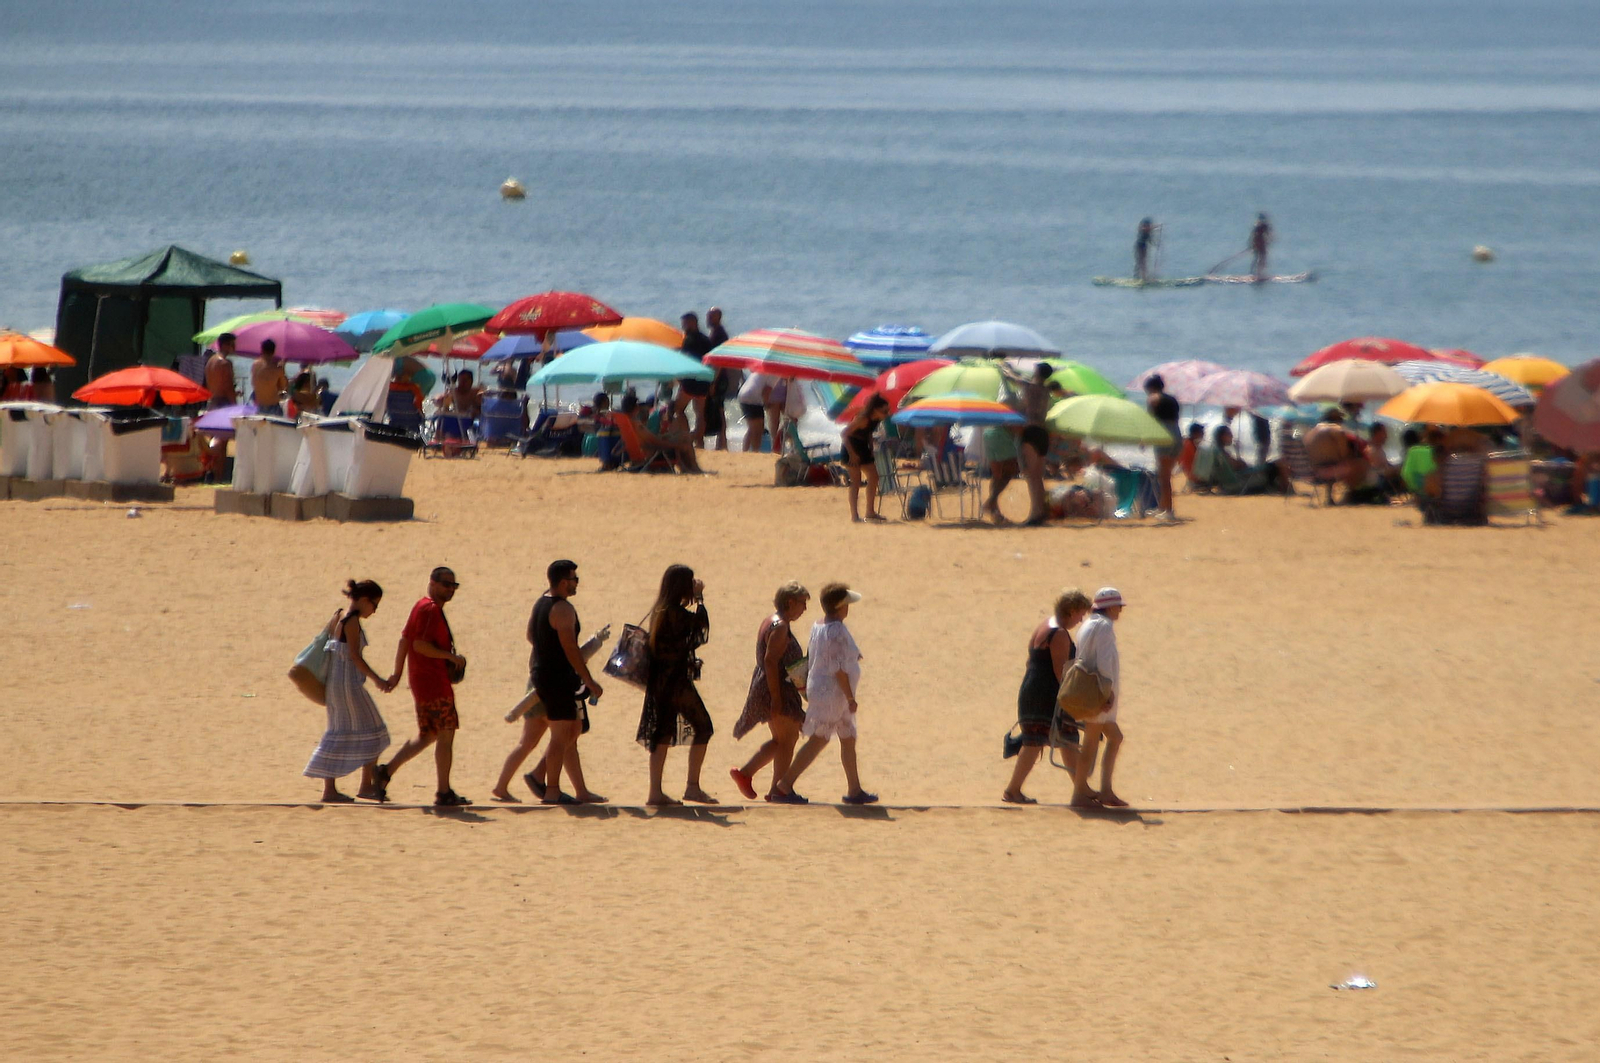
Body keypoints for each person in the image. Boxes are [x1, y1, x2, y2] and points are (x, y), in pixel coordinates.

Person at [495, 560, 607, 806]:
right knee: (562, 736)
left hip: (540, 675)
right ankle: (552, 790)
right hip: (556, 679)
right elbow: (570, 649)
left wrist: (546, 652)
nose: (577, 583)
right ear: (564, 582)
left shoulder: (541, 602)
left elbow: (530, 636)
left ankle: (505, 786)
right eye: (574, 579)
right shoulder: (564, 609)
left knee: (547, 736)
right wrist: (588, 680)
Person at [772, 583, 876, 805]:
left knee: (848, 738)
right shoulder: (836, 629)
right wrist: (850, 697)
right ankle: (785, 784)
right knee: (820, 738)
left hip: (822, 689)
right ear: (840, 606)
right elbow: (837, 668)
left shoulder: (819, 625)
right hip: (833, 694)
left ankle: (854, 789)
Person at [375, 567, 470, 807]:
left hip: (421, 681)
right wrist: (451, 658)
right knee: (446, 733)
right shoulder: (430, 610)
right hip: (433, 681)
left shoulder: (421, 606)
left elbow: (405, 640)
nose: (450, 589)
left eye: (453, 586)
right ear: (433, 583)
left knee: (428, 734)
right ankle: (443, 791)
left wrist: (397, 674)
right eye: (445, 584)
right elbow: (419, 645)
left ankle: (385, 772)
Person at [303, 580, 393, 803]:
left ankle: (342, 788)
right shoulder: (351, 621)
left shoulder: (339, 614)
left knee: (340, 730)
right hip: (347, 685)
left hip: (337, 684)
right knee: (373, 729)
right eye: (374, 604)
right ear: (363, 600)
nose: (374, 611)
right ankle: (360, 786)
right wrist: (377, 679)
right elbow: (355, 656)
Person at [637, 564, 716, 806]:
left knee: (662, 733)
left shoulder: (661, 610)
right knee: (703, 726)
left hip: (662, 681)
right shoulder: (674, 612)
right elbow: (700, 631)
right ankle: (691, 787)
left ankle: (656, 792)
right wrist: (701, 598)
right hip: (674, 682)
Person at [1004, 589, 1091, 804]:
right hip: (1045, 694)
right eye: (1080, 614)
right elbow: (1060, 671)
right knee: (1061, 739)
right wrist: (1076, 697)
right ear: (1071, 611)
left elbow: (1030, 662)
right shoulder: (1059, 633)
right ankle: (1081, 792)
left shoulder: (1044, 626)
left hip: (1032, 689)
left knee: (1047, 741)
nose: (1081, 620)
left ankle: (1080, 790)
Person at [730, 581, 810, 801]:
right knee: (788, 738)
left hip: (772, 685)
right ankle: (778, 790)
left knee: (780, 739)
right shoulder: (780, 626)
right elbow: (771, 660)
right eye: (802, 603)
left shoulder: (772, 621)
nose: (804, 609)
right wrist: (776, 698)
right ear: (790, 602)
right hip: (776, 688)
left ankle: (746, 773)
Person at [1069, 588, 1128, 808]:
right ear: (1111, 607)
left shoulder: (1088, 624)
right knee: (1091, 743)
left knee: (1114, 737)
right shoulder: (1103, 627)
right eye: (1119, 606)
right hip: (1098, 693)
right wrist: (1107, 691)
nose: (1120, 611)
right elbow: (1104, 661)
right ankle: (1080, 794)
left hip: (1089, 690)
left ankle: (1105, 790)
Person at [1198, 425, 1288, 494]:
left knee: (1276, 464)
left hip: (1234, 480)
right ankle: (1286, 489)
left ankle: (1284, 488)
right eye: (1229, 434)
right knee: (1278, 464)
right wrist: (1240, 461)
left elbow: (1233, 467)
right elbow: (1239, 466)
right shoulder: (1222, 455)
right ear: (1222, 437)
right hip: (1240, 482)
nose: (1232, 436)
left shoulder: (1218, 452)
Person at [843, 394, 890, 522]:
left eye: (887, 411)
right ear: (875, 409)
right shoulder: (862, 418)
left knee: (874, 476)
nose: (886, 414)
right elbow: (845, 434)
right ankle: (854, 515)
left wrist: (871, 447)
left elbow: (868, 432)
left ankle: (870, 511)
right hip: (851, 447)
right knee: (856, 481)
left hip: (863, 446)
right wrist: (852, 454)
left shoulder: (876, 419)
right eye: (884, 411)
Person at [1303, 410, 1372, 493]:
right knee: (1361, 464)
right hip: (1329, 471)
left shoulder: (1310, 433)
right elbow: (1343, 454)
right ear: (1338, 419)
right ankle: (1351, 495)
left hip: (1313, 472)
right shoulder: (1337, 430)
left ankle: (1334, 495)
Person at [674, 312, 715, 448]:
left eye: (685, 323)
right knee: (700, 414)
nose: (683, 326)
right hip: (703, 379)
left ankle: (687, 436)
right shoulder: (706, 339)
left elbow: (684, 360)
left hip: (691, 380)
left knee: (678, 409)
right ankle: (699, 441)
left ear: (693, 322)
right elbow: (711, 361)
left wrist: (679, 377)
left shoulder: (689, 339)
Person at [1144, 374, 1181, 520]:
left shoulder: (1153, 399)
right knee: (1166, 475)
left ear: (1151, 388)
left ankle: (1168, 511)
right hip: (1177, 435)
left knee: (1163, 477)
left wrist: (1144, 438)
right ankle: (1162, 507)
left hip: (1163, 436)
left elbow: (1150, 420)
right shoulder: (1172, 399)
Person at [705, 307, 732, 451]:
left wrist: (714, 381)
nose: (708, 319)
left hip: (719, 377)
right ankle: (721, 442)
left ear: (718, 317)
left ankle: (722, 442)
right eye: (708, 316)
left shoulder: (719, 334)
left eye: (711, 316)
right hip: (718, 376)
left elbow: (720, 360)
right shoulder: (716, 333)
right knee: (718, 409)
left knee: (719, 409)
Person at [737, 372, 778, 452]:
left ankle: (745, 451)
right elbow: (766, 391)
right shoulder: (776, 373)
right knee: (757, 429)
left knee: (752, 428)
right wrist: (767, 405)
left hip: (744, 394)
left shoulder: (765, 369)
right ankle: (755, 451)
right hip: (752, 397)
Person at [251, 338, 288, 415]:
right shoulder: (277, 368)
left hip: (259, 405)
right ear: (274, 351)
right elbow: (283, 387)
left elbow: (254, 383)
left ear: (262, 350)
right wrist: (282, 367)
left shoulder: (255, 365)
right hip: (273, 405)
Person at [205, 334, 238, 408]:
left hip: (212, 402)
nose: (234, 348)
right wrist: (235, 406)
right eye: (232, 345)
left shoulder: (210, 361)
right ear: (224, 345)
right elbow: (229, 387)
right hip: (223, 403)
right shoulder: (225, 363)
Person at [1134, 217, 1158, 282]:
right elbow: (1146, 229)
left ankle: (1144, 277)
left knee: (1144, 261)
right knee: (1141, 262)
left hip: (1144, 245)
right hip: (1140, 245)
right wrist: (1155, 227)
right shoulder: (1143, 229)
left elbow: (1150, 239)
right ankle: (1142, 277)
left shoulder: (1147, 230)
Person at [1250, 212, 1273, 279]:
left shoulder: (1257, 225)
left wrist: (1252, 244)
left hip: (1257, 243)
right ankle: (1259, 274)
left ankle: (1256, 273)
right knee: (1262, 258)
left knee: (1258, 258)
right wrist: (1270, 240)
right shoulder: (1264, 226)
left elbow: (1253, 236)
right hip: (1261, 244)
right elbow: (1268, 235)